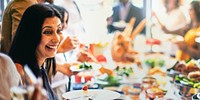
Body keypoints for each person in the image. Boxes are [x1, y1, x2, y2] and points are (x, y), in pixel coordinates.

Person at [8, 4, 71, 99]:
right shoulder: (19, 72)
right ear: (31, 35)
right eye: (48, 32)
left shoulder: (42, 66)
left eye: (58, 30)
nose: (57, 39)